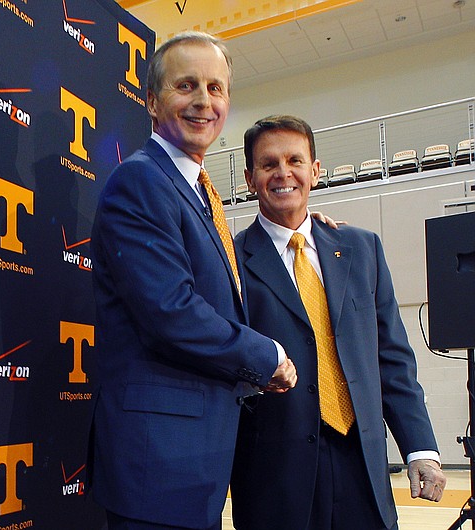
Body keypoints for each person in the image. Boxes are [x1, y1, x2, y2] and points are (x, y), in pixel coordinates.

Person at [89, 32, 297, 530]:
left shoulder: (198, 192)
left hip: (195, 460)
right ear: (152, 101)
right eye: (187, 86)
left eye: (216, 88)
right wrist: (267, 355)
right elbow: (171, 312)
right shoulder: (141, 182)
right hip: (159, 464)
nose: (205, 101)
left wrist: (302, 225)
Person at [230, 115, 446, 530]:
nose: (283, 172)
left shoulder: (361, 248)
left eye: (295, 160)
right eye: (268, 163)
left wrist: (420, 448)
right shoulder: (230, 262)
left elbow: (392, 358)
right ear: (250, 177)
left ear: (315, 169)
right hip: (275, 476)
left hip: (362, 465)